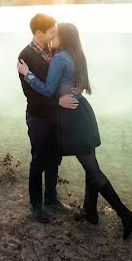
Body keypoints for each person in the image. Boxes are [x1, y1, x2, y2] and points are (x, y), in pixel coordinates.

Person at [17, 22, 132, 240]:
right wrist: (65, 95)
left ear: (63, 37)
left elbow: (47, 89)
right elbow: (78, 84)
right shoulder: (77, 54)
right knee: (90, 165)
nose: (53, 37)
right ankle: (90, 213)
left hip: (72, 117)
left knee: (92, 169)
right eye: (51, 33)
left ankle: (125, 214)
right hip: (82, 111)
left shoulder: (58, 57)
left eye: (56, 34)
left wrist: (27, 74)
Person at [17, 13, 79, 223]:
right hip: (39, 117)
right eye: (51, 32)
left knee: (54, 157)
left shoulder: (53, 50)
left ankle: (51, 198)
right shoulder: (25, 56)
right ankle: (36, 207)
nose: (54, 35)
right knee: (39, 160)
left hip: (56, 117)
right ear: (38, 33)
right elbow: (32, 95)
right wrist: (58, 102)